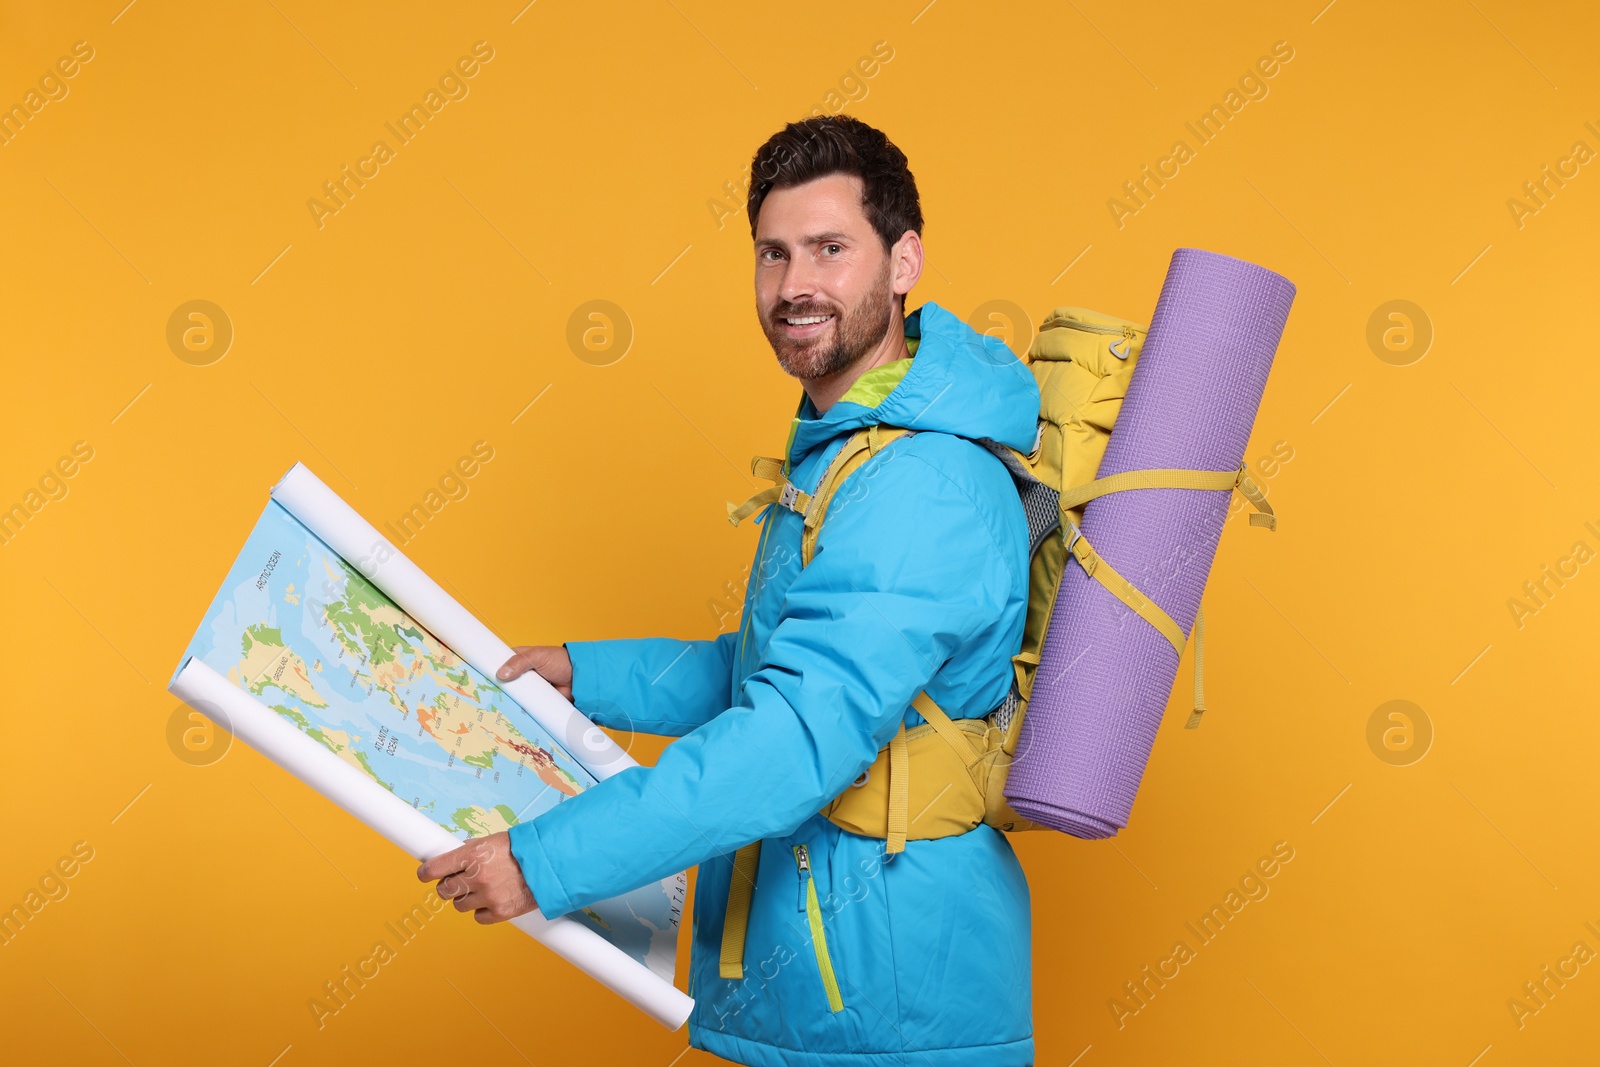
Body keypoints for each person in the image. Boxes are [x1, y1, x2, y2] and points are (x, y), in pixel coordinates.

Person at [418, 114, 1039, 1067]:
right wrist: (588, 676)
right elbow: (762, 676)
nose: (795, 286)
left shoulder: (923, 486)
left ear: (903, 261)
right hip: (811, 995)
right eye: (773, 254)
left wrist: (544, 863)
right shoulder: (847, 457)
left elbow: (790, 741)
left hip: (889, 1010)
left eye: (831, 249)